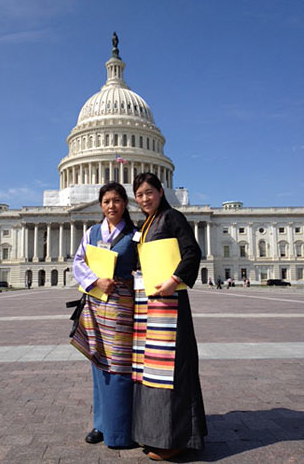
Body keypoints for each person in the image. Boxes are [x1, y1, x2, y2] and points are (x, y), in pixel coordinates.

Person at [132, 173, 207, 461]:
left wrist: (175, 279)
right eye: (139, 195)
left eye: (149, 192)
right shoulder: (145, 224)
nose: (145, 198)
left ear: (161, 191)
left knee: (173, 367)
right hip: (151, 303)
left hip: (171, 301)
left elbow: (192, 253)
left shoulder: (173, 217)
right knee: (153, 369)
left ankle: (178, 438)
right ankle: (157, 433)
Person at [71, 182, 137, 448]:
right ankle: (101, 424)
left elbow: (145, 268)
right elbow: (78, 262)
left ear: (125, 204)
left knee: (120, 366)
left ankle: (120, 430)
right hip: (96, 304)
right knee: (98, 361)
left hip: (122, 306)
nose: (112, 206)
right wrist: (96, 281)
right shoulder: (92, 232)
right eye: (107, 201)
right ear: (101, 204)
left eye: (117, 200)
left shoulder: (135, 234)